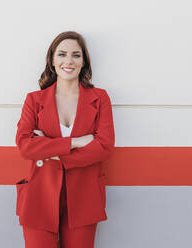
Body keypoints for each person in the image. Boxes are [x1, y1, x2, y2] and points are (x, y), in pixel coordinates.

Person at [15, 30, 115, 248]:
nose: (68, 61)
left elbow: (104, 147)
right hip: (39, 195)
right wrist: (75, 142)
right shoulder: (34, 100)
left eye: (76, 55)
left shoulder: (100, 98)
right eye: (62, 54)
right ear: (52, 60)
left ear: (83, 61)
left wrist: (49, 150)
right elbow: (25, 146)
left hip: (84, 195)